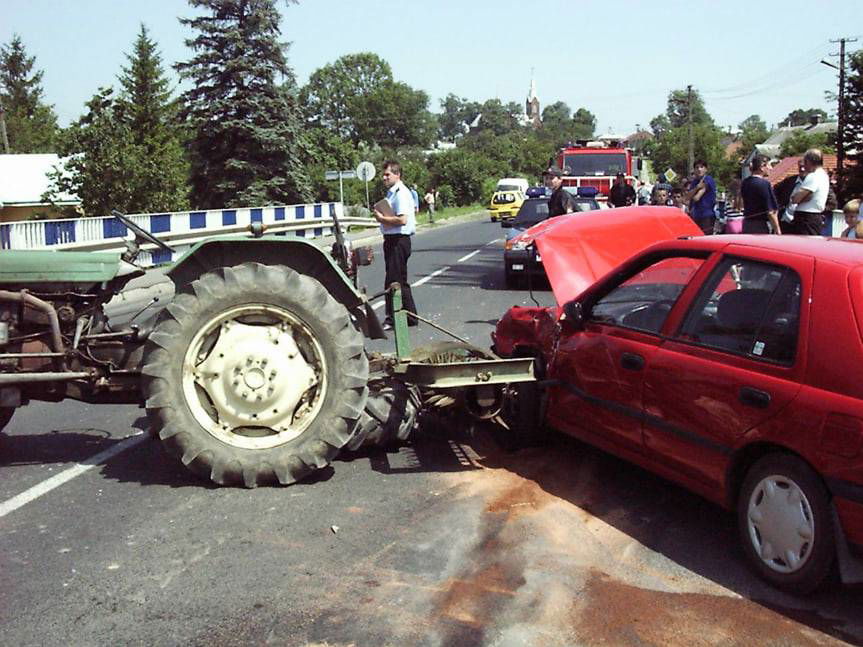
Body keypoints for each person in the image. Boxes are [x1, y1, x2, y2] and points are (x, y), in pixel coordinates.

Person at [374, 160, 418, 330]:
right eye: (383, 174)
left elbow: (402, 219)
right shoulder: (392, 193)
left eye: (387, 174)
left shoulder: (400, 193)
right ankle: (410, 316)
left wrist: (381, 219)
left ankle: (392, 318)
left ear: (397, 174)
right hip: (392, 239)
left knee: (393, 280)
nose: (384, 178)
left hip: (399, 240)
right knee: (400, 278)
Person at [788, 148, 830, 235]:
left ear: (808, 161)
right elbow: (808, 196)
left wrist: (796, 197)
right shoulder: (823, 175)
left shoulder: (813, 176)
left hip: (806, 218)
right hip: (815, 217)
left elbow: (796, 199)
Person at [740, 154, 781, 234]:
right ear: (762, 167)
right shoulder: (764, 184)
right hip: (761, 225)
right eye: (769, 165)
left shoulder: (745, 182)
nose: (771, 168)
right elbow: (770, 211)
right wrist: (777, 229)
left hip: (747, 223)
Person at [685, 160, 717, 235]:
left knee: (706, 239)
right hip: (696, 215)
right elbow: (687, 197)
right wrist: (696, 188)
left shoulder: (708, 179)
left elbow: (696, 197)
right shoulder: (695, 182)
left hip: (707, 215)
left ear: (706, 169)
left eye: (701, 167)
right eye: (697, 167)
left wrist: (694, 193)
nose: (699, 169)